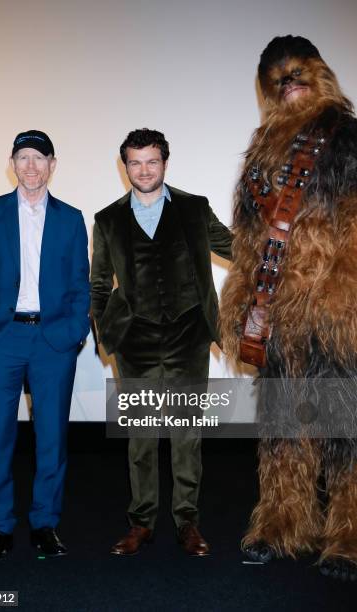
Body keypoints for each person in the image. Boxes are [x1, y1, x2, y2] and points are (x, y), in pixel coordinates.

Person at [220, 35, 357, 581]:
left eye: (298, 73)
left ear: (319, 73)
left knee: (345, 430)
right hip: (279, 318)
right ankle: (283, 525)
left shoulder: (347, 139)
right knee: (281, 430)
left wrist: (340, 300)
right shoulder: (258, 155)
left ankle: (348, 532)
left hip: (333, 313)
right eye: (279, 79)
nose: (290, 84)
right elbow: (250, 239)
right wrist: (242, 304)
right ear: (266, 91)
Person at [92, 128, 232, 556]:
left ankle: (188, 523)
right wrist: (107, 332)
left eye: (152, 161)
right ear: (126, 166)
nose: (144, 169)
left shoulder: (193, 208)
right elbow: (98, 284)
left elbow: (235, 248)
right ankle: (141, 523)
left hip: (189, 336)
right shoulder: (107, 219)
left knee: (187, 434)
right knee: (141, 436)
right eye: (135, 162)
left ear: (165, 163)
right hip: (135, 340)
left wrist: (287, 246)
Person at [0, 130, 90, 563]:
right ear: (12, 163)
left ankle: (44, 524)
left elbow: (78, 285)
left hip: (53, 340)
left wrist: (73, 332)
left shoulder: (71, 219)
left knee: (51, 436)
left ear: (53, 165)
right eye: (23, 158)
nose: (31, 166)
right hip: (2, 338)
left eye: (40, 158)